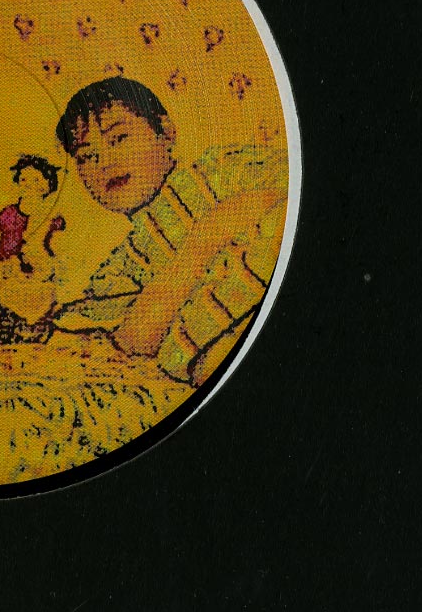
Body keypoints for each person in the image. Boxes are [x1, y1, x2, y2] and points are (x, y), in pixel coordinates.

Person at [52, 77, 286, 389]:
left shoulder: (221, 170)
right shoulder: (121, 267)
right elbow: (132, 338)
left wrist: (211, 232)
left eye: (118, 139)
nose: (105, 163)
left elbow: (288, 199)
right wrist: (207, 241)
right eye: (86, 157)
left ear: (166, 131)